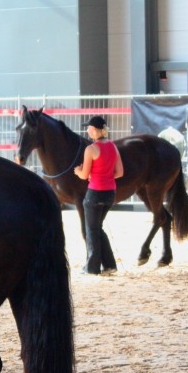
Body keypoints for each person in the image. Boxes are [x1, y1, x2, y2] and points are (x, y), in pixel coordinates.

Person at [73, 115, 124, 275]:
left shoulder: (91, 149)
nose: (87, 130)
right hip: (110, 193)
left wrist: (78, 171)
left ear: (94, 130)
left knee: (91, 230)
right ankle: (110, 265)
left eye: (88, 128)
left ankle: (92, 267)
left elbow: (83, 175)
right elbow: (120, 172)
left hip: (94, 193)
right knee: (98, 228)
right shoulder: (113, 146)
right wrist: (104, 176)